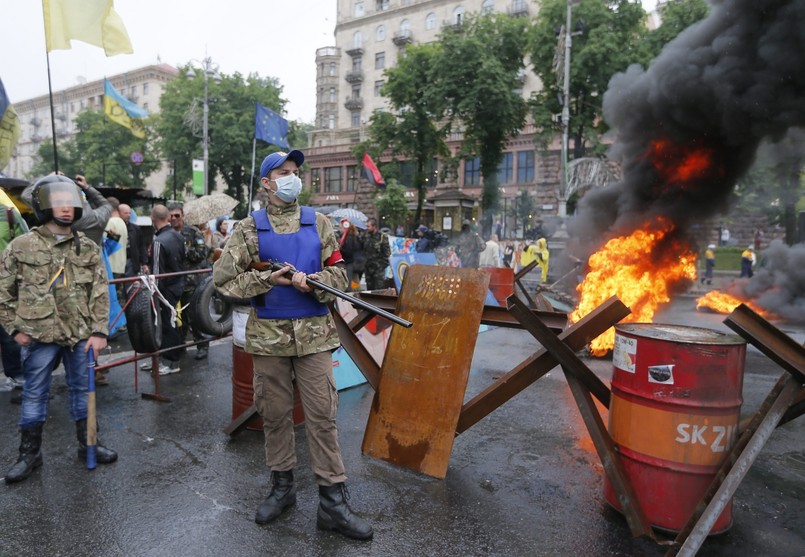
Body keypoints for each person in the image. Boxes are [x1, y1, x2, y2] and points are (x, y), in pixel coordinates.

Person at [213, 149, 373, 540]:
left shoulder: (319, 223)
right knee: (275, 415)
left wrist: (313, 282)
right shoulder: (248, 230)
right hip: (268, 340)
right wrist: (269, 280)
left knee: (322, 416)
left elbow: (340, 278)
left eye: (295, 172)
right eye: (283, 173)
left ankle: (333, 501)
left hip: (315, 338)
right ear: (266, 183)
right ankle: (282, 488)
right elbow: (223, 281)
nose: (292, 178)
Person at [0, 175, 117, 483]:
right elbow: (3, 291)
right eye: (58, 202)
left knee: (83, 391)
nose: (66, 209)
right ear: (44, 205)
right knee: (34, 394)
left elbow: (100, 292)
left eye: (70, 203)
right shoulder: (22, 247)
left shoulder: (88, 249)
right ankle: (29, 454)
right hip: (38, 336)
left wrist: (99, 332)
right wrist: (14, 329)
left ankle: (89, 443)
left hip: (80, 335)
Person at [142, 205, 186, 375]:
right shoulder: (178, 235)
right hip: (177, 284)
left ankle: (172, 362)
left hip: (165, 288)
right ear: (167, 217)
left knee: (167, 324)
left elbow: (157, 273)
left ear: (153, 220)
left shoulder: (158, 241)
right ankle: (163, 359)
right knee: (170, 322)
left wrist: (154, 293)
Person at [168, 203, 211, 360]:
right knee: (178, 317)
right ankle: (181, 346)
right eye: (170, 216)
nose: (173, 219)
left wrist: (184, 250)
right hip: (173, 282)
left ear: (183, 216)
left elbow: (202, 253)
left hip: (191, 282)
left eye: (176, 215)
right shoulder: (167, 234)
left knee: (194, 315)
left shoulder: (193, 232)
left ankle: (202, 344)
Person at [0, 188, 29, 394]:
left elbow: (27, 246)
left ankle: (17, 375)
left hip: (6, 285)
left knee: (8, 331)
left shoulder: (9, 214)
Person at [119, 203, 148, 276]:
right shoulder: (114, 227)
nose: (128, 215)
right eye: (126, 213)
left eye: (129, 213)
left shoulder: (135, 229)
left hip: (131, 261)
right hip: (118, 261)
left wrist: (144, 262)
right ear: (119, 213)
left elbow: (141, 246)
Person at [363, 217, 391, 291]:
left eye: (368, 226)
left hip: (378, 269)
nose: (367, 228)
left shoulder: (382, 237)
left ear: (374, 226)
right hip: (368, 268)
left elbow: (387, 253)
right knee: (369, 290)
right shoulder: (366, 236)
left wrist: (381, 266)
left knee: (379, 290)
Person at [339, 219, 364, 291]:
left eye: (341, 227)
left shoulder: (349, 238)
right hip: (353, 264)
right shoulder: (351, 236)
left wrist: (340, 249)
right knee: (354, 284)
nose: (340, 229)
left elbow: (349, 252)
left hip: (349, 263)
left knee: (349, 285)